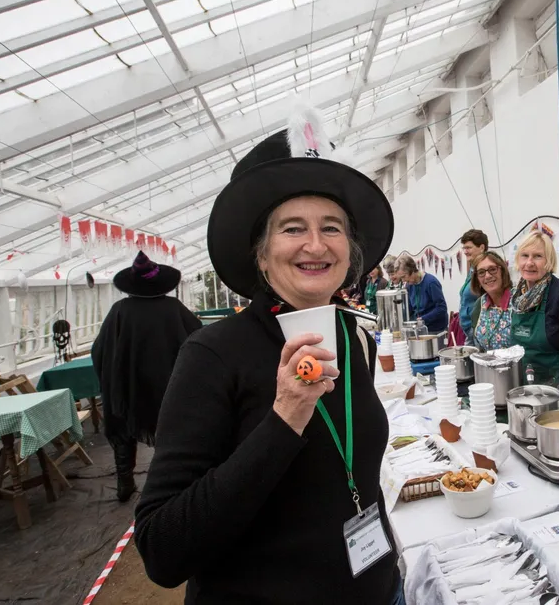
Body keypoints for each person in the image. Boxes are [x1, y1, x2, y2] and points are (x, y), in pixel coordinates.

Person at [134, 101, 404, 604]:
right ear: (260, 253)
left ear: (350, 249)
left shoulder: (356, 338)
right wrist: (284, 419)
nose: (316, 245)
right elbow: (162, 549)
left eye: (332, 226)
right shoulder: (212, 355)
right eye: (292, 228)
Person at [92, 251, 202, 503]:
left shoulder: (118, 311)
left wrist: (114, 377)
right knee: (171, 432)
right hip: (168, 385)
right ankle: (171, 483)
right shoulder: (174, 309)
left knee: (124, 429)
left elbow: (99, 350)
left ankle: (125, 481)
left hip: (129, 387)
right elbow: (199, 338)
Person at [510, 232, 559, 399]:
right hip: (527, 388)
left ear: (549, 261)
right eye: (525, 256)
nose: (529, 263)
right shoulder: (517, 297)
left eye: (537, 256)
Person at [468, 252, 514, 351]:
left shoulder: (518, 302)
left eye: (492, 269)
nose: (487, 276)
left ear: (503, 271)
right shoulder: (479, 304)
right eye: (481, 272)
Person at [390, 254, 447, 333]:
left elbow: (441, 308)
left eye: (404, 277)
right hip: (419, 328)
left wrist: (423, 319)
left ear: (412, 271)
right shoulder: (409, 285)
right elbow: (409, 309)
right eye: (401, 278)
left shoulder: (431, 283)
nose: (403, 281)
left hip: (435, 329)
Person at [459, 230, 489, 340]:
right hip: (469, 329)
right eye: (464, 248)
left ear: (481, 247)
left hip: (478, 329)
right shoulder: (473, 268)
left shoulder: (485, 270)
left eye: (468, 248)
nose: (465, 251)